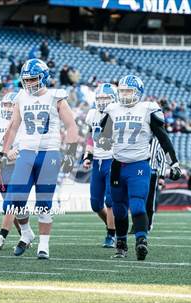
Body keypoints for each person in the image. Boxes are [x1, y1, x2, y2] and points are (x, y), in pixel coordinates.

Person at [96, 75, 182, 261]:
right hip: (118, 165)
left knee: (136, 204)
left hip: (139, 165)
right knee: (118, 208)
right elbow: (104, 137)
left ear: (138, 92)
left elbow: (163, 138)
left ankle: (141, 240)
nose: (125, 95)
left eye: (129, 91)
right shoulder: (112, 109)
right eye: (123, 91)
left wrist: (173, 162)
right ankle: (121, 244)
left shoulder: (148, 109)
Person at [1, 58, 79, 259]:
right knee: (14, 202)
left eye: (34, 79)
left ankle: (44, 245)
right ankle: (26, 233)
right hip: (26, 152)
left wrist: (70, 152)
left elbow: (71, 126)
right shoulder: (21, 97)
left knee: (44, 203)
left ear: (43, 77)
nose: (29, 84)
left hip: (49, 152)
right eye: (26, 80)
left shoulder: (56, 97)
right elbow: (13, 126)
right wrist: (6, 150)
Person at [83, 83, 117, 248]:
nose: (102, 102)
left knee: (110, 201)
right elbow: (90, 135)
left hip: (112, 159)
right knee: (96, 204)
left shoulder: (118, 114)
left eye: (106, 98)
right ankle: (112, 226)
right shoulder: (92, 114)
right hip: (97, 161)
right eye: (100, 98)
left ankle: (111, 234)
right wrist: (88, 155)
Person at [0, 92, 22, 250]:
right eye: (6, 104)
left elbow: (20, 149)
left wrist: (5, 152)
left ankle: (2, 237)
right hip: (1, 168)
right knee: (8, 205)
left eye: (11, 105)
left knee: (10, 205)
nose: (8, 108)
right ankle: (24, 234)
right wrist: (0, 155)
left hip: (16, 167)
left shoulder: (22, 122)